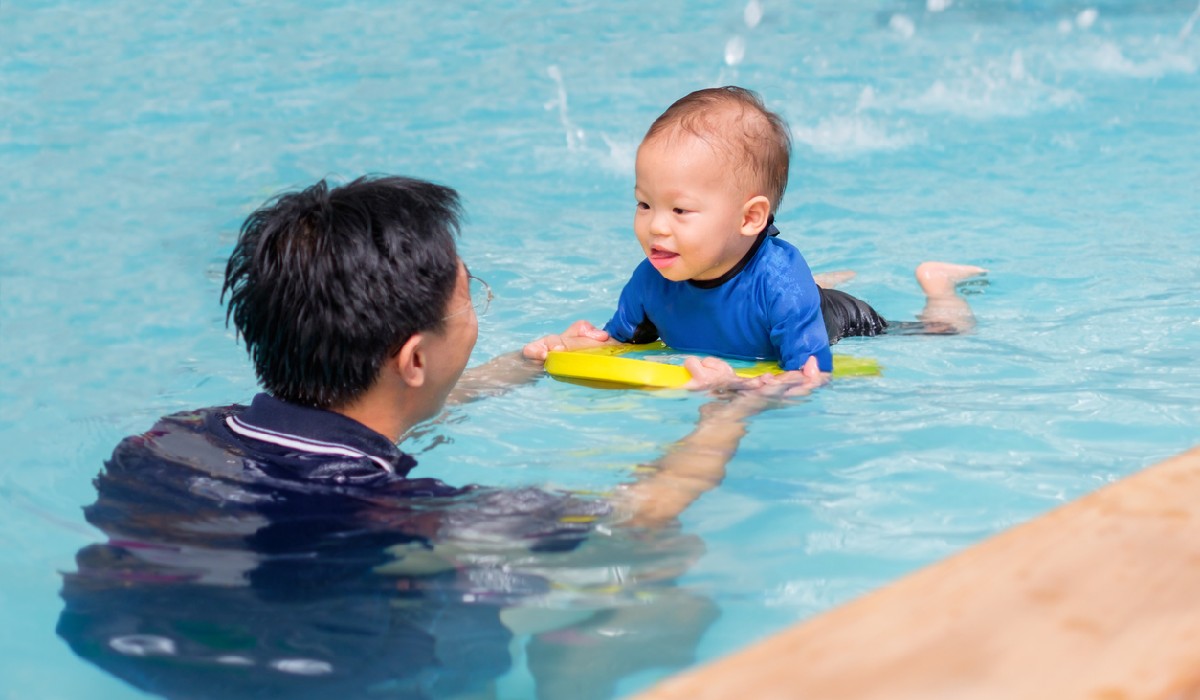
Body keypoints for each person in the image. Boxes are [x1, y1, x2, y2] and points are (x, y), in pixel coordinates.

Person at [59, 175, 818, 699]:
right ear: (414, 358)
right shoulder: (420, 517)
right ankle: (573, 665)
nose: (476, 308)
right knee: (661, 569)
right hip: (358, 678)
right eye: (469, 297)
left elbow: (367, 426)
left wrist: (518, 369)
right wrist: (729, 415)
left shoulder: (165, 442)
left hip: (138, 656)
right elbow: (645, 510)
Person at [523, 86, 986, 384]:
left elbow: (812, 375)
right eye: (644, 204)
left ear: (750, 219)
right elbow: (622, 344)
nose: (655, 226)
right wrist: (568, 343)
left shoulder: (781, 284)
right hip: (768, 292)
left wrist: (748, 389)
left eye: (680, 210)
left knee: (940, 333)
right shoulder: (652, 277)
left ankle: (938, 284)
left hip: (839, 319)